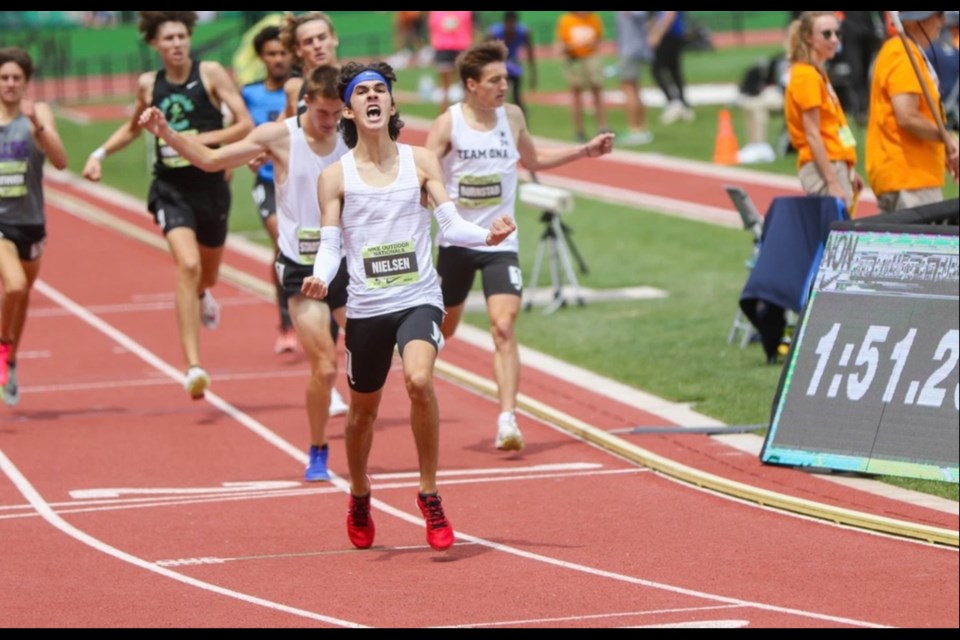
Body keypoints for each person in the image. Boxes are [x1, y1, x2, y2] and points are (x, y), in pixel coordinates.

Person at [300, 61, 516, 552]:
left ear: (391, 104)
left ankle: (429, 493)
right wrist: (319, 273)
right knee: (362, 416)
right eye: (363, 92)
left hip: (419, 295)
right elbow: (331, 244)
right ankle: (359, 493)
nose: (373, 97)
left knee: (419, 381)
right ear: (350, 109)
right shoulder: (335, 177)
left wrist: (488, 234)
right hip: (367, 307)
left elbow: (453, 225)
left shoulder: (420, 161)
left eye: (381, 90)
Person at [140, 65, 350, 483]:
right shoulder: (279, 136)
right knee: (325, 366)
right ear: (306, 102)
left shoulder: (353, 132)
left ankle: (359, 436)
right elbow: (211, 159)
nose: (330, 122)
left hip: (348, 263)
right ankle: (318, 448)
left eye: (337, 113)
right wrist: (166, 133)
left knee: (369, 362)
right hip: (301, 267)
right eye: (323, 113)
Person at [425, 41, 615, 452]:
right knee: (445, 329)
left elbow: (533, 159)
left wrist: (584, 150)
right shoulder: (448, 123)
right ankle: (417, 382)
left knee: (504, 326)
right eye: (494, 80)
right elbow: (424, 172)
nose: (503, 86)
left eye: (505, 79)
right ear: (471, 84)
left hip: (501, 243)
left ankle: (507, 419)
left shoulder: (512, 117)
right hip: (457, 241)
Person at [81, 11, 255, 400]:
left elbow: (243, 124)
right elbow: (132, 127)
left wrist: (188, 139)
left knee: (207, 275)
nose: (177, 44)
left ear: (189, 38)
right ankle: (193, 366)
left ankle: (202, 294)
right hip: (170, 188)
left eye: (182, 36)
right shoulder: (149, 83)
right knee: (188, 264)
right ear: (155, 44)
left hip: (211, 186)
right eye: (169, 38)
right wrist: (99, 153)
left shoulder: (210, 73)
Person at [0, 47, 68, 407]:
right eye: (4, 77)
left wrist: (37, 126)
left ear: (26, 82)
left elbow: (59, 161)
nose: (10, 84)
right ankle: (1, 343)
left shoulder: (36, 113)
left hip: (31, 222)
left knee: (22, 295)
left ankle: (10, 358)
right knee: (13, 285)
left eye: (16, 78)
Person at [867, 11, 960, 213]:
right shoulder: (902, 54)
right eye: (939, 15)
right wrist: (948, 138)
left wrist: (942, 145)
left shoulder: (909, 52)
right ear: (920, 20)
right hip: (909, 177)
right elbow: (907, 115)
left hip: (910, 175)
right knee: (922, 245)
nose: (944, 21)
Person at [242, 25, 298, 355]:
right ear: (262, 57)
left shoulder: (302, 89)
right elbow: (240, 130)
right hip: (267, 181)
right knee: (281, 242)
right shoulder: (249, 93)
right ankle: (286, 322)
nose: (278, 59)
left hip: (301, 181)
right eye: (272, 54)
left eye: (283, 53)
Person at [784, 11, 864, 212]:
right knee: (834, 238)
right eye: (827, 34)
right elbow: (812, 134)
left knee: (840, 235)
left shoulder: (817, 73)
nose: (835, 40)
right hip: (823, 167)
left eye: (837, 34)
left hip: (835, 164)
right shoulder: (806, 76)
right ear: (808, 37)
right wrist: (832, 181)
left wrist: (849, 169)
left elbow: (834, 126)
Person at [554, 11, 609, 142]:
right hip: (575, 60)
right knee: (576, 95)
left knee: (597, 91)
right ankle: (579, 130)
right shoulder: (566, 20)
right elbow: (560, 44)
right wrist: (569, 47)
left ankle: (603, 126)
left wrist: (591, 44)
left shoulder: (593, 18)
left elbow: (599, 38)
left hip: (591, 57)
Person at [280, 12, 340, 119]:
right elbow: (283, 128)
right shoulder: (294, 88)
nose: (317, 46)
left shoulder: (355, 82)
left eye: (322, 38)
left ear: (334, 38)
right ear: (297, 49)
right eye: (308, 42)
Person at [736, 54, 790, 164]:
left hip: (791, 97)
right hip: (777, 93)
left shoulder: (803, 62)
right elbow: (772, 80)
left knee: (758, 105)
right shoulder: (779, 59)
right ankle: (753, 144)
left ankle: (760, 146)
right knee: (750, 104)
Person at [615, 11, 655, 146]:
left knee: (629, 89)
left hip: (629, 50)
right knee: (635, 89)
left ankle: (634, 129)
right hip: (637, 49)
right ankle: (642, 128)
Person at [487, 11, 537, 119]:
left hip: (514, 66)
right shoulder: (495, 32)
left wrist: (533, 74)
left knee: (516, 96)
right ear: (504, 22)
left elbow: (530, 53)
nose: (510, 26)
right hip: (499, 66)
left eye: (512, 23)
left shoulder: (524, 32)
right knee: (496, 96)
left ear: (516, 22)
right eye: (508, 23)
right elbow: (486, 51)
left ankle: (523, 124)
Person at [427, 11, 477, 115]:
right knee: (465, 86)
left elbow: (432, 29)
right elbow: (473, 29)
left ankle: (447, 118)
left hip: (445, 48)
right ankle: (461, 117)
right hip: (458, 47)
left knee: (447, 88)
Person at [650, 11, 695, 126]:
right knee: (674, 71)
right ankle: (682, 103)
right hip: (673, 35)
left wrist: (657, 35)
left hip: (669, 36)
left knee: (657, 69)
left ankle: (674, 103)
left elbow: (669, 15)